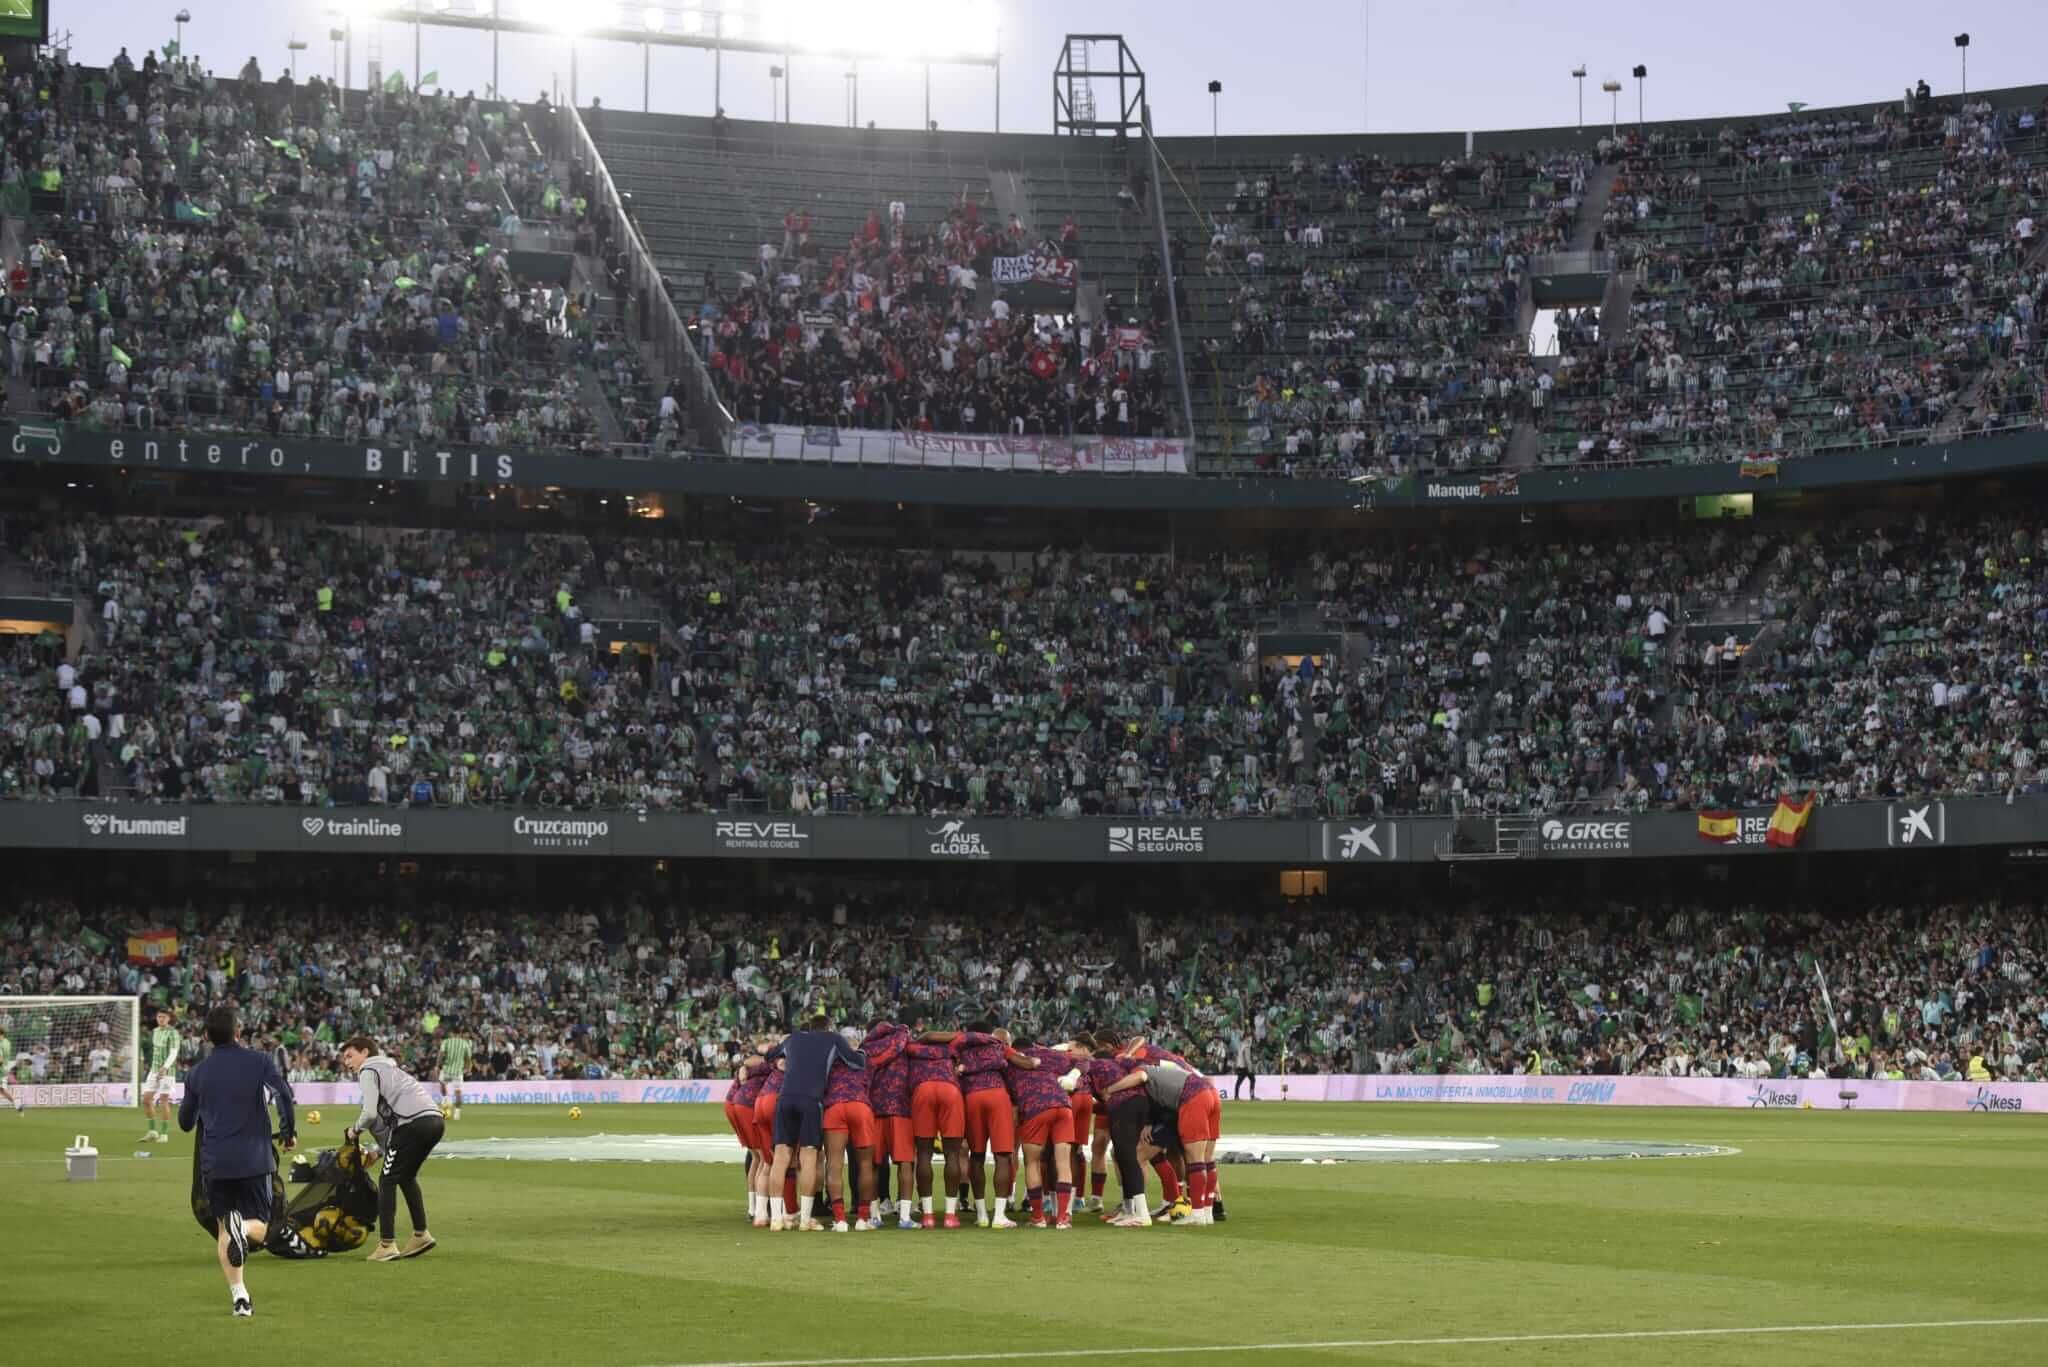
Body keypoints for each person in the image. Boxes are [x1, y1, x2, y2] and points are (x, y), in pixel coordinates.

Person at [176, 1005, 295, 1318]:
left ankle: (240, 1297)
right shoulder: (259, 1061)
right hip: (254, 1160)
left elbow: (185, 1122)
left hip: (216, 1163)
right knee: (261, 1227)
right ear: (238, 1032)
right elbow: (282, 1093)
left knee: (223, 1228)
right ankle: (241, 1226)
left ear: (206, 1037)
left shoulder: (197, 1073)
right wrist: (288, 1131)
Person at [339, 1035, 444, 1262]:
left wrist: (354, 1131)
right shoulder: (391, 1069)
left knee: (387, 1180)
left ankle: (387, 1244)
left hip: (412, 1124)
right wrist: (379, 1151)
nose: (347, 1062)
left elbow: (369, 1114)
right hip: (434, 1121)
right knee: (406, 1177)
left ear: (365, 1052)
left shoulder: (368, 1070)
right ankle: (421, 1234)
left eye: (350, 1055)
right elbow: (388, 1121)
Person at [761, 1015, 864, 1231]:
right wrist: (859, 1051)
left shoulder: (794, 1039)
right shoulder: (833, 1039)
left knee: (781, 1157)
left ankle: (777, 1219)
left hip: (785, 1098)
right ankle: (806, 1219)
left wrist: (780, 1061)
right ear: (828, 1027)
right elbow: (856, 1062)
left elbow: (769, 1055)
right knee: (808, 1157)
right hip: (811, 1100)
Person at [903, 1031, 968, 1228]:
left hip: (922, 1090)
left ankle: (928, 1216)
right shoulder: (951, 1050)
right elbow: (961, 1040)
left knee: (923, 1154)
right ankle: (949, 1215)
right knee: (952, 1154)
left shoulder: (912, 1049)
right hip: (950, 1090)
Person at [140, 1006, 181, 1143]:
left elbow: (173, 1052)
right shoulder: (155, 1031)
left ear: (169, 1019)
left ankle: (164, 1134)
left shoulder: (173, 1033)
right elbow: (156, 1051)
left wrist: (165, 1067)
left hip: (167, 1071)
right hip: (154, 1069)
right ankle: (152, 1132)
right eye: (159, 1017)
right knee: (146, 1099)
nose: (161, 1019)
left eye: (164, 1017)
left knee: (164, 1100)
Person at [437, 1027, 473, 1119]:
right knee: (458, 1092)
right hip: (458, 1072)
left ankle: (445, 1100)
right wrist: (468, 1068)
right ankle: (457, 1113)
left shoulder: (446, 1042)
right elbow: (468, 1058)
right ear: (460, 1034)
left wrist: (437, 1065)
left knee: (442, 1083)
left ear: (451, 1033)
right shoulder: (465, 1043)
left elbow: (440, 1054)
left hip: (446, 1071)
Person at [0, 1023, 23, 1113]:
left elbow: (0, 1060)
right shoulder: (7, 1042)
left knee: (2, 1090)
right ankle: (17, 1103)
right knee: (2, 1090)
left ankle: (17, 1102)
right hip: (4, 1069)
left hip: (0, 1069)